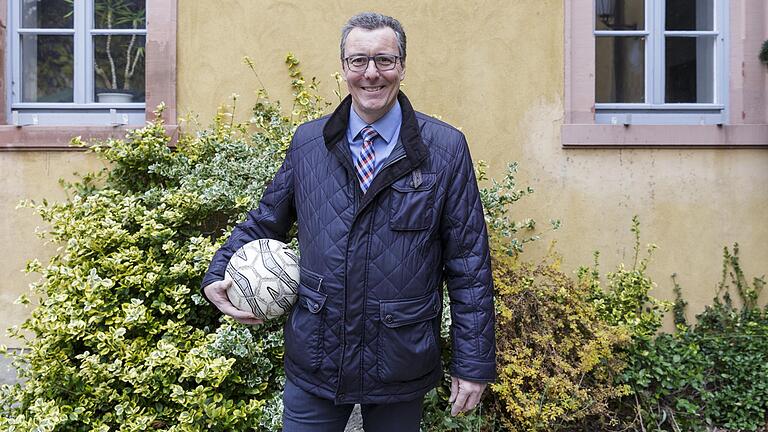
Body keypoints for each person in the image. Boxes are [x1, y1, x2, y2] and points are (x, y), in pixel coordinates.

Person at [201, 12, 495, 432]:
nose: (371, 74)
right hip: (317, 356)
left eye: (384, 61)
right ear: (342, 69)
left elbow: (469, 264)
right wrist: (218, 272)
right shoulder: (309, 143)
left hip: (399, 359)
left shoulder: (445, 149)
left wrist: (474, 362)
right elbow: (265, 221)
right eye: (358, 61)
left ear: (403, 67)